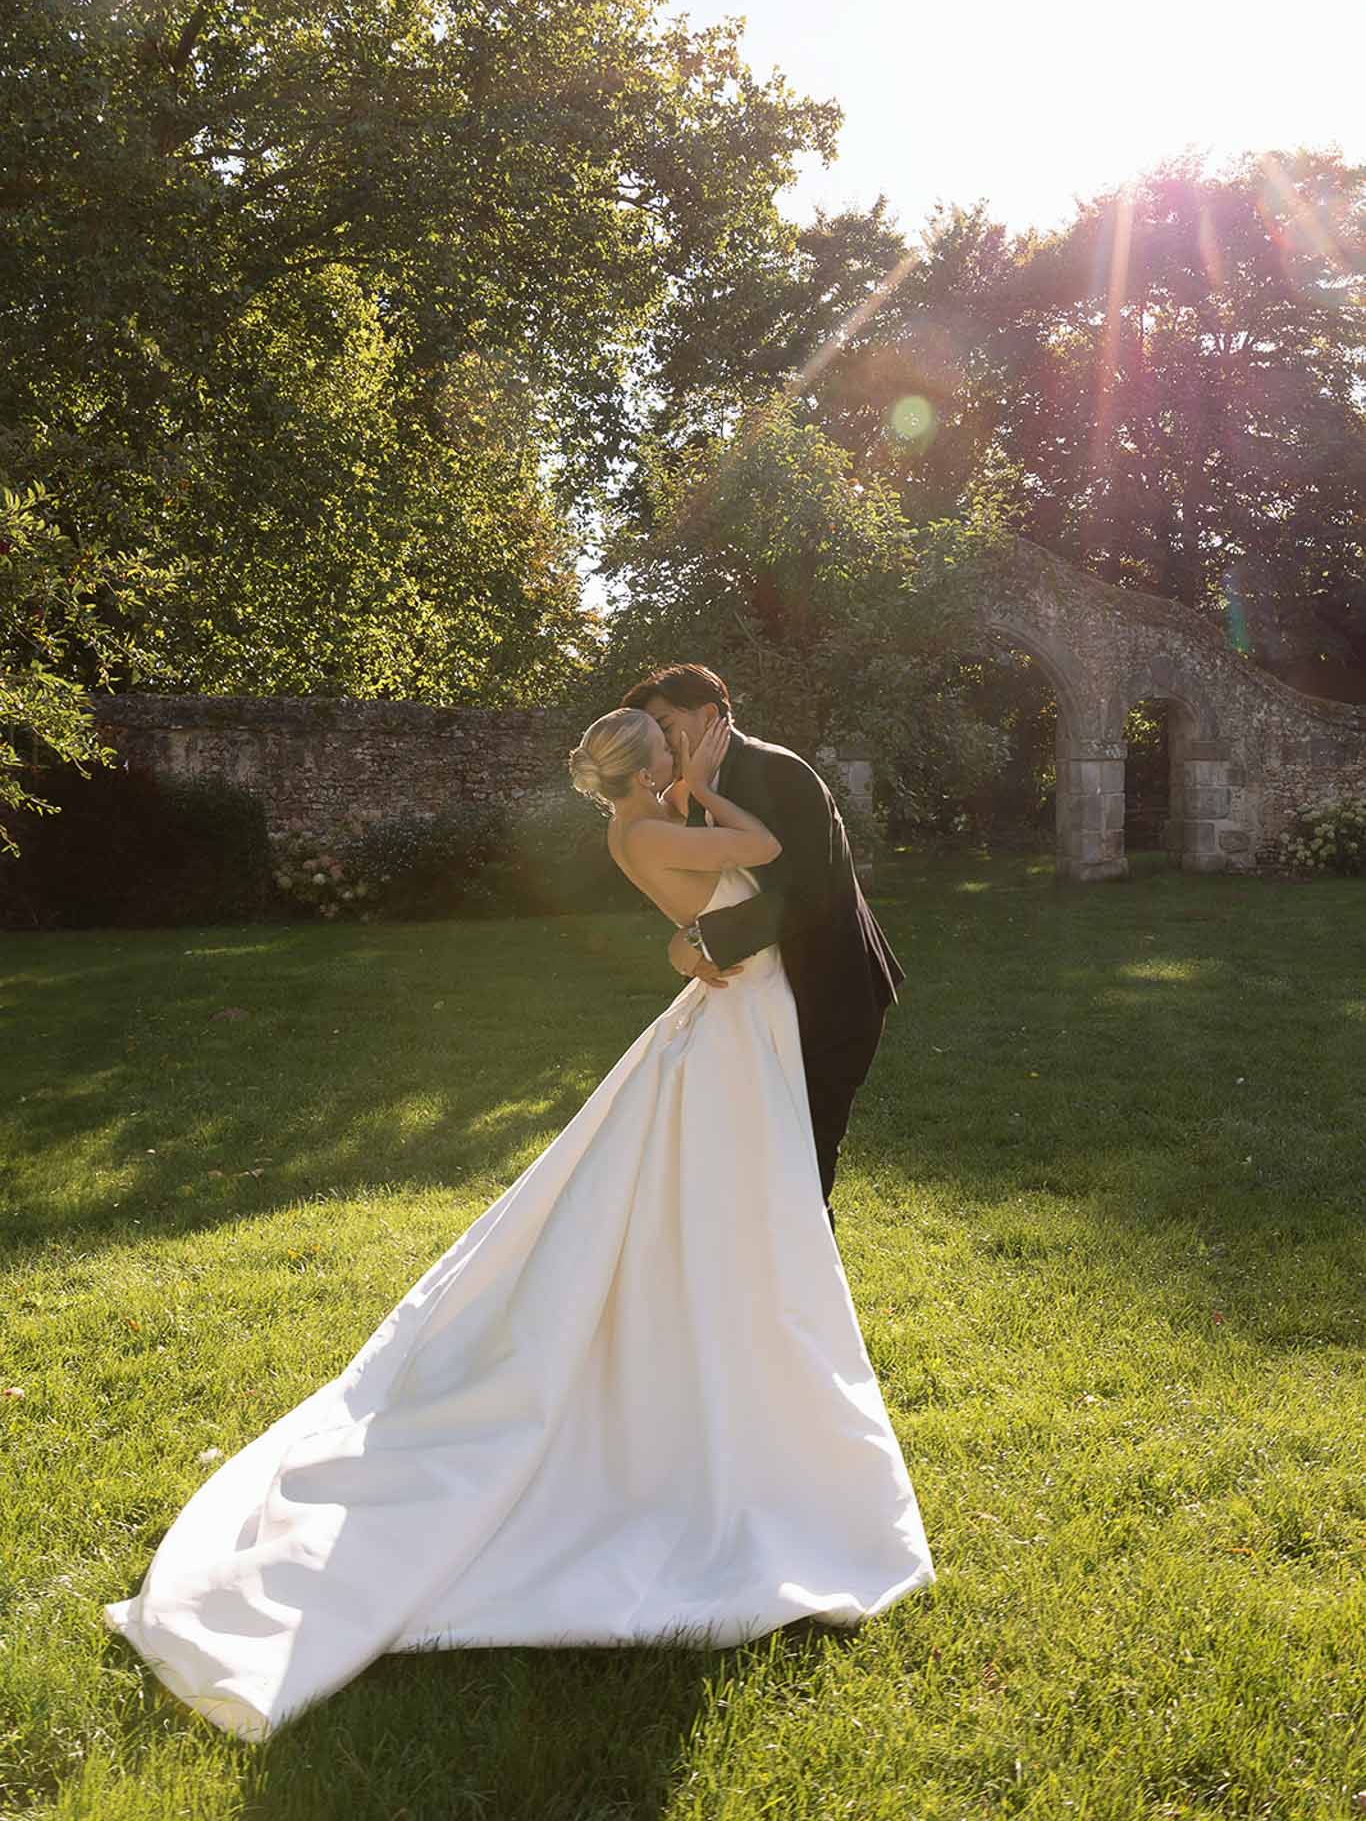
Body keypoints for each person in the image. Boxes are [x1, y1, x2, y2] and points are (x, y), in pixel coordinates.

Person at [102, 707, 933, 1744]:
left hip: (741, 1011)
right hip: (737, 1018)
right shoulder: (651, 829)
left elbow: (736, 891)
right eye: (668, 745)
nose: (684, 748)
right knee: (724, 1209)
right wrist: (712, 792)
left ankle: (724, 1347)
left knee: (722, 1208)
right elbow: (763, 856)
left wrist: (695, 828)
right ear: (649, 766)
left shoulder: (635, 824)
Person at [619, 665, 903, 1235]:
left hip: (829, 993)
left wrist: (703, 940)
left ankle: (803, 1303)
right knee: (763, 1158)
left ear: (709, 715)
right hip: (763, 1000)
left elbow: (809, 893)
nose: (661, 741)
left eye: (666, 723)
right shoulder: (701, 786)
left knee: (804, 1157)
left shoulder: (777, 771)